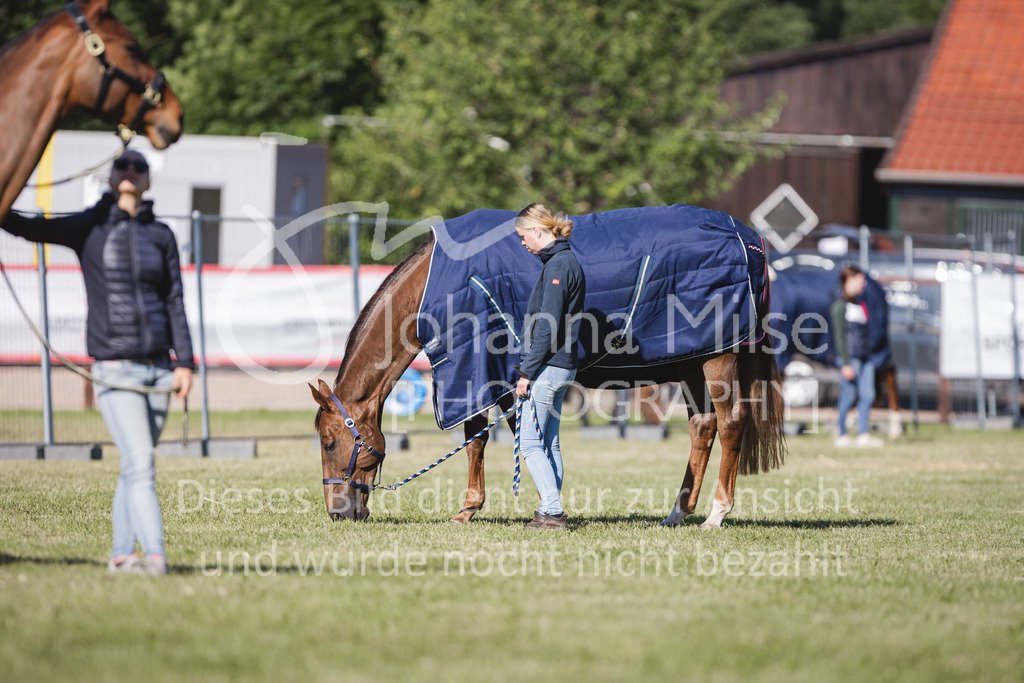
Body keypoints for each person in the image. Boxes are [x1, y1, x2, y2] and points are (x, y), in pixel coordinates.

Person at [1, 149, 194, 574]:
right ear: (111, 177)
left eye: (138, 167)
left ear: (147, 180)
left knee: (133, 464)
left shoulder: (161, 234)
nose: (130, 172)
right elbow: (27, 226)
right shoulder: (88, 227)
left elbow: (175, 301)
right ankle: (157, 558)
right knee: (142, 463)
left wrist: (187, 363)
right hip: (114, 368)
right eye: (122, 166)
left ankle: (122, 555)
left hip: (161, 368)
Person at [514, 203, 586, 529]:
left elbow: (547, 325)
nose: (522, 243)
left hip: (549, 367)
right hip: (562, 366)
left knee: (530, 443)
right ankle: (548, 508)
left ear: (536, 231)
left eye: (522, 236)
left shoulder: (558, 266)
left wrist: (526, 372)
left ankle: (553, 512)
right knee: (550, 442)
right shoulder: (564, 261)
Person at [831, 264, 883, 448]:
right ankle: (841, 433)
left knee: (868, 394)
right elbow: (839, 336)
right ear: (849, 280)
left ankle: (863, 434)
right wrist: (845, 363)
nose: (863, 284)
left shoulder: (861, 305)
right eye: (860, 280)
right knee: (849, 394)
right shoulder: (839, 306)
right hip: (850, 357)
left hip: (865, 356)